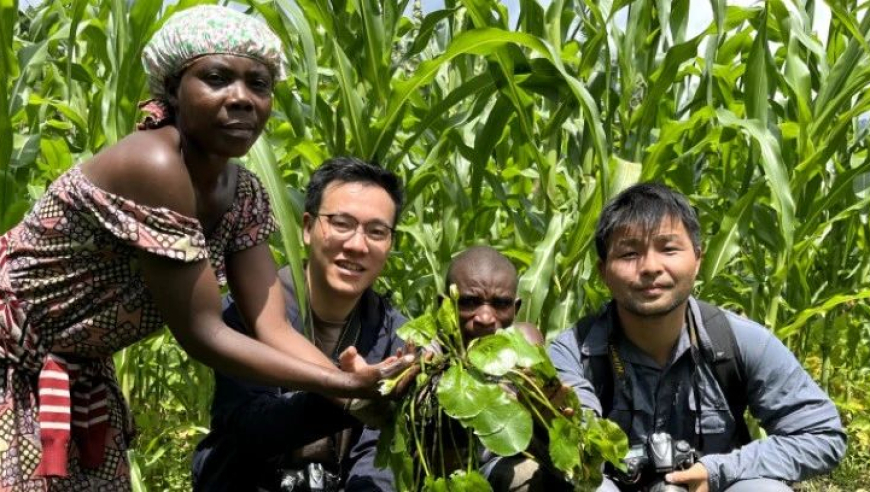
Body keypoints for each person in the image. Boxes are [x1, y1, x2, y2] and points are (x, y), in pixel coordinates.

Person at [0, 7, 408, 490]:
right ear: (173, 90)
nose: (241, 99)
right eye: (216, 79)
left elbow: (269, 323)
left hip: (76, 368)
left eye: (258, 84)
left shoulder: (245, 195)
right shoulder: (153, 162)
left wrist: (359, 391)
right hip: (12, 360)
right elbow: (202, 331)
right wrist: (342, 387)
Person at [549, 183, 846, 491]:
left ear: (698, 260)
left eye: (668, 249)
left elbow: (822, 435)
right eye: (629, 253)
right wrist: (569, 415)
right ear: (603, 272)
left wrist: (718, 470)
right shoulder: (573, 352)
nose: (650, 267)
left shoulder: (738, 342)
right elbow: (578, 428)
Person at [191, 157, 407, 491]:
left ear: (390, 244)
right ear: (307, 228)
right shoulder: (251, 311)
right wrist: (350, 397)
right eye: (341, 224)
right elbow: (251, 428)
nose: (357, 244)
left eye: (376, 232)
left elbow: (376, 455)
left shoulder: (392, 332)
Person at [345, 246, 548, 491]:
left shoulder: (524, 348)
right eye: (470, 302)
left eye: (500, 304)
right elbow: (379, 431)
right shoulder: (425, 352)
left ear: (515, 309)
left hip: (495, 472)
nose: (485, 317)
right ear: (445, 305)